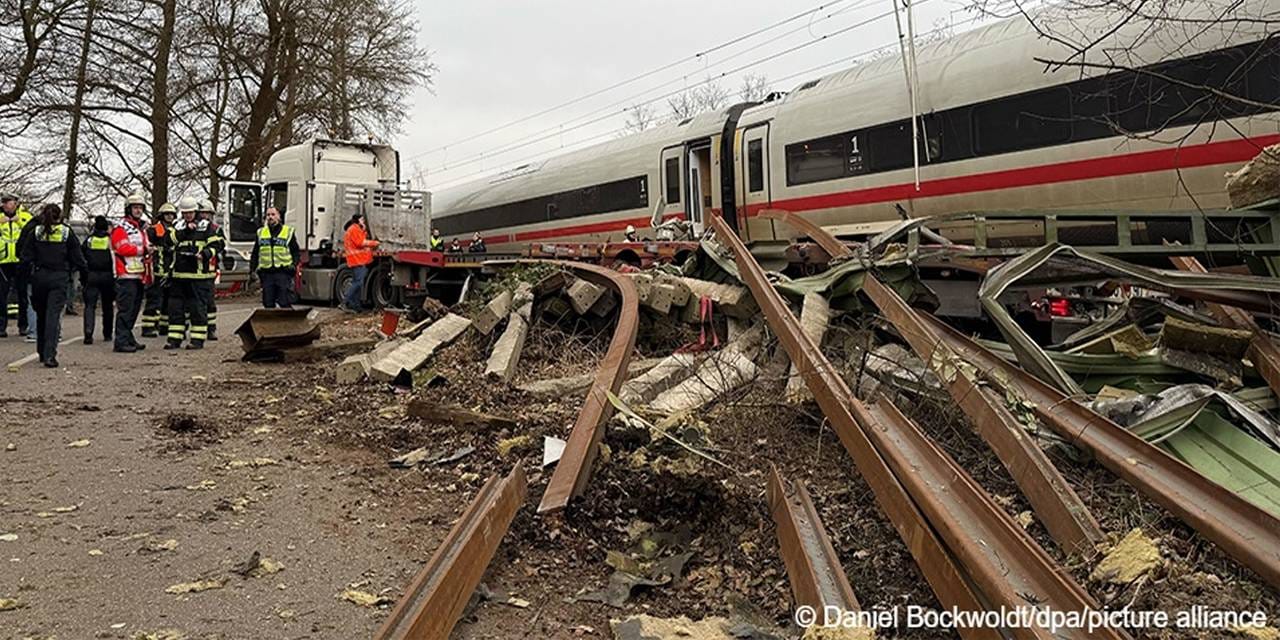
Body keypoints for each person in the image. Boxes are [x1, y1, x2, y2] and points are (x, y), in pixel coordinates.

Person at [20, 204, 86, 367]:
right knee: (53, 316)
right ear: (60, 216)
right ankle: (50, 355)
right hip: (59, 277)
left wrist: (25, 278)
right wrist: (83, 276)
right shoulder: (66, 233)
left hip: (39, 277)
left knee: (42, 315)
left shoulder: (36, 232)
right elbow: (78, 258)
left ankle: (42, 351)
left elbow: (25, 257)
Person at [166, 196, 220, 349]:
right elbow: (168, 241)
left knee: (197, 309)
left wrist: (205, 254)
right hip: (178, 275)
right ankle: (174, 339)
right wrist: (185, 231)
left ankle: (197, 339)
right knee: (176, 309)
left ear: (196, 211)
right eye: (185, 213)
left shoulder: (206, 226)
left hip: (198, 276)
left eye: (190, 212)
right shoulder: (177, 225)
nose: (188, 215)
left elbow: (217, 244)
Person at [110, 192, 151, 353]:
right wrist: (143, 250)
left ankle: (128, 337)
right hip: (125, 274)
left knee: (134, 309)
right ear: (129, 209)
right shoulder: (121, 227)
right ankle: (120, 341)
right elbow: (122, 248)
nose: (138, 210)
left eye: (140, 207)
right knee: (126, 310)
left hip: (139, 274)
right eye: (135, 207)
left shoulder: (141, 228)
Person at [249, 207, 300, 308]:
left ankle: (287, 318)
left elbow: (295, 252)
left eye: (273, 214)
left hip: (283, 272)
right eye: (268, 215)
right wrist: (252, 270)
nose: (270, 217)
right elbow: (255, 253)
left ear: (279, 216)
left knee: (284, 301)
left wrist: (294, 265)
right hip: (267, 273)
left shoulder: (288, 232)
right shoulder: (261, 233)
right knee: (268, 302)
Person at [141, 202, 177, 337]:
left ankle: (164, 326)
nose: (169, 217)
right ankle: (148, 327)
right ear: (162, 216)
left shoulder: (175, 231)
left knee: (168, 300)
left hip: (170, 271)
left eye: (171, 214)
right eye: (167, 214)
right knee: (154, 299)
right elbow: (147, 246)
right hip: (156, 271)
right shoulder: (153, 230)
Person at [0, 193, 32, 338]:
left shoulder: (25, 217)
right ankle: (1, 327)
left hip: (21, 261)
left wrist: (19, 222)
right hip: (3, 261)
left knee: (23, 294)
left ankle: (23, 326)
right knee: (1, 295)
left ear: (16, 203)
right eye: (4, 202)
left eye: (9, 202)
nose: (6, 204)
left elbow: (32, 231)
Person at [80, 215, 116, 345]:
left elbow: (82, 257)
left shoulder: (89, 240)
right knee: (108, 306)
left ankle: (88, 333)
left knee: (90, 305)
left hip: (92, 275)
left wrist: (83, 277)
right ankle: (107, 334)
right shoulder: (110, 240)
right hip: (108, 276)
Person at [197, 199, 226, 340]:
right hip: (195, 269)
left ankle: (211, 328)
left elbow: (221, 246)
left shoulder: (216, 229)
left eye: (207, 213)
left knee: (210, 301)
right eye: (202, 213)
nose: (204, 216)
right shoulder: (194, 228)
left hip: (211, 269)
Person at [341, 213, 378, 312]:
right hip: (357, 260)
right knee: (358, 282)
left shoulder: (354, 229)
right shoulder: (354, 229)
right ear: (357, 220)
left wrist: (364, 229)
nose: (363, 221)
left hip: (356, 260)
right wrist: (374, 243)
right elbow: (361, 243)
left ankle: (355, 305)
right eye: (362, 220)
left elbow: (361, 239)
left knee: (357, 283)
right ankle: (345, 302)